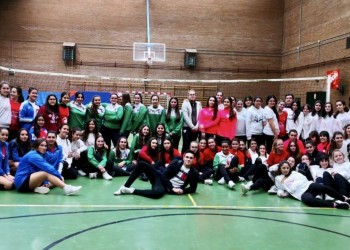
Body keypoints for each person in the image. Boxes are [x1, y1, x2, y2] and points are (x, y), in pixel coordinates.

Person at [114, 150, 198, 199]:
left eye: (191, 158)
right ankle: (125, 187)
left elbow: (193, 188)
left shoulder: (194, 173)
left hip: (164, 187)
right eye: (187, 157)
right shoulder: (176, 162)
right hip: (160, 179)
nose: (188, 159)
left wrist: (183, 190)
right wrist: (172, 188)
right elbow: (164, 175)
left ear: (193, 159)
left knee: (157, 193)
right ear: (183, 157)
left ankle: (130, 191)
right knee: (141, 164)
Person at [14, 138, 82, 195]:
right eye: (42, 145)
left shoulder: (41, 154)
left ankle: (40, 188)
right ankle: (67, 188)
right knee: (46, 174)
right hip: (21, 183)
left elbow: (48, 164)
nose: (44, 147)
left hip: (30, 180)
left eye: (45, 146)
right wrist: (59, 175)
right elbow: (48, 168)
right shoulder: (33, 155)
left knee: (56, 179)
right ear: (36, 146)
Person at [274, 161, 349, 209]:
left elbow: (303, 179)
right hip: (301, 193)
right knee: (308, 201)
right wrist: (280, 193)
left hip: (309, 186)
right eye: (283, 168)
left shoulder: (294, 173)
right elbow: (280, 189)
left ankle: (344, 199)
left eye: (287, 168)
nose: (286, 169)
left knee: (323, 188)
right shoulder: (278, 178)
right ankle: (335, 205)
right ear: (280, 169)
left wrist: (294, 186)